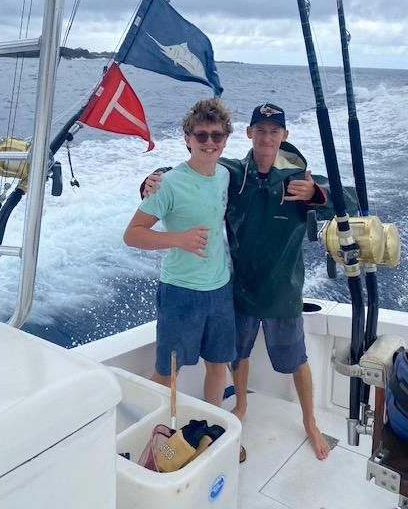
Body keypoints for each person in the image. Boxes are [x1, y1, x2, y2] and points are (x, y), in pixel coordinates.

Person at [143, 102, 357, 460]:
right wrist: (153, 177)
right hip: (238, 289)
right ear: (249, 134)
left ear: (284, 136)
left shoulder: (299, 179)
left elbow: (347, 200)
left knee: (296, 359)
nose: (267, 137)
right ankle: (240, 404)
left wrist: (318, 195)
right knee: (237, 355)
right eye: (260, 130)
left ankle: (310, 420)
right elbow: (193, 169)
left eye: (274, 132)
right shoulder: (234, 174)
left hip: (281, 291)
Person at [124, 98, 235, 407]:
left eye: (217, 135)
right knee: (168, 372)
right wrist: (178, 239)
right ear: (188, 139)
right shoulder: (168, 184)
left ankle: (214, 426)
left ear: (225, 139)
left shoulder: (226, 175)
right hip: (181, 293)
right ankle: (149, 430)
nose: (209, 142)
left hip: (221, 289)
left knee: (217, 365)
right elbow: (132, 234)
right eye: (201, 135)